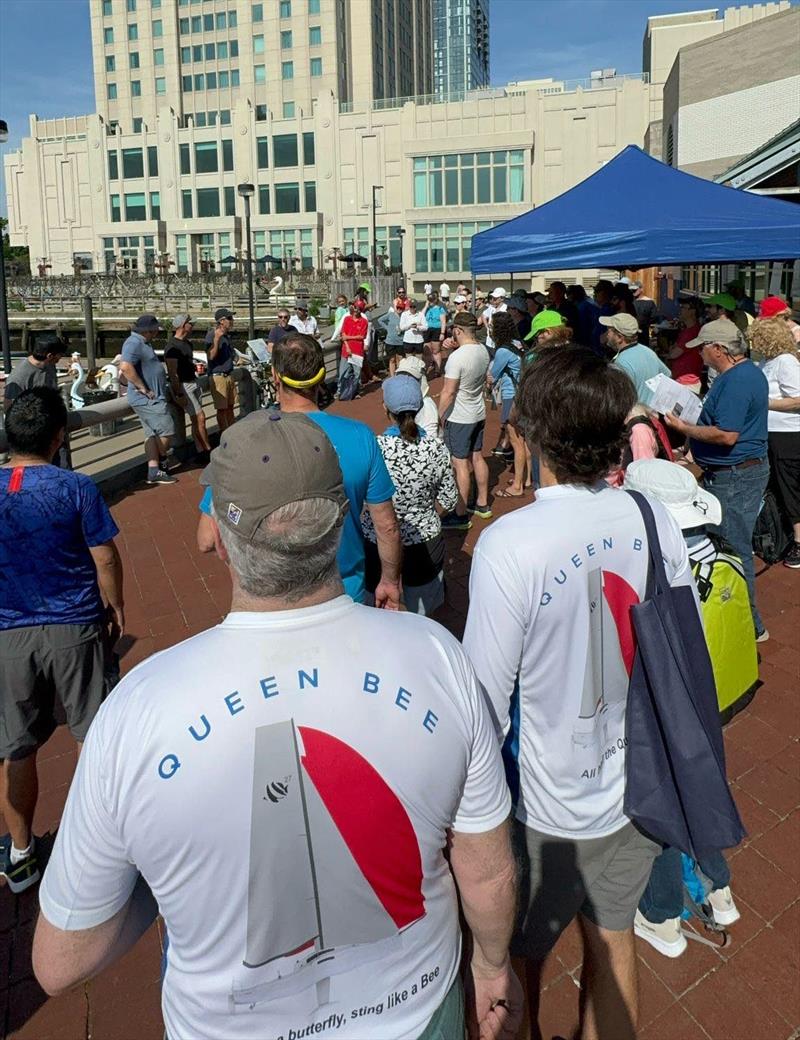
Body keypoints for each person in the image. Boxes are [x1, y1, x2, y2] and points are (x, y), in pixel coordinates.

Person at [34, 410, 522, 1040]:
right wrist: (491, 966)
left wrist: (166, 881)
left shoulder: (139, 708)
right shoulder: (436, 655)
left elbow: (61, 961)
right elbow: (486, 869)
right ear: (341, 520)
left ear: (224, 540)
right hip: (415, 1009)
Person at [463, 347, 695, 1040]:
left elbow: (481, 696)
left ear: (530, 434)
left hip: (541, 801)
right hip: (636, 785)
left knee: (518, 961)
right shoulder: (654, 520)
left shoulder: (512, 544)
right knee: (614, 940)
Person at [0, 388, 123, 894]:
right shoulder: (76, 487)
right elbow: (105, 558)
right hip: (75, 624)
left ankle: (22, 852)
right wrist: (114, 606)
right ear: (59, 437)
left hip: (10, 630)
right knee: (92, 736)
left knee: (16, 748)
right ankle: (98, 848)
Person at [622, 460, 741, 958]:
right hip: (702, 678)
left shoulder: (647, 548)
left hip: (659, 680)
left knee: (661, 790)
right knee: (698, 775)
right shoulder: (711, 549)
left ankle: (661, 914)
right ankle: (718, 887)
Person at [199, 333, 401, 608]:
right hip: (344, 591)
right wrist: (389, 580)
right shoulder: (361, 435)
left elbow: (207, 538)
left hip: (270, 600)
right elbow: (386, 526)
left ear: (275, 376)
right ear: (320, 377)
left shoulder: (244, 440)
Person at [664, 318, 769, 638]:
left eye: (704, 347)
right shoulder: (745, 373)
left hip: (735, 475)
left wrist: (684, 429)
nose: (700, 354)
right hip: (736, 472)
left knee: (734, 547)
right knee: (729, 544)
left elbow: (727, 435)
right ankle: (739, 617)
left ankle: (751, 625)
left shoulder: (737, 381)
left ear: (720, 349)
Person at [362, 376, 457, 615]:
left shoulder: (375, 447)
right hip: (423, 540)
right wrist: (424, 515)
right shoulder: (436, 448)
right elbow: (449, 499)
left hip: (378, 538)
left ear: (386, 408)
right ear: (420, 407)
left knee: (376, 605)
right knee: (424, 610)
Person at [750, 317, 800, 568]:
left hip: (788, 435)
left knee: (790, 486)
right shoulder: (765, 362)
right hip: (771, 432)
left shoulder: (786, 362)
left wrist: (764, 404)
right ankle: (782, 533)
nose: (752, 342)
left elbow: (798, 398)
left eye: (756, 338)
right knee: (776, 487)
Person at [439, 312, 491, 529]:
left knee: (459, 463)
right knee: (477, 457)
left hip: (460, 416)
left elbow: (448, 392)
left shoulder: (457, 358)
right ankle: (482, 503)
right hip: (478, 412)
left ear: (458, 330)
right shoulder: (482, 350)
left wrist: (439, 417)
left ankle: (460, 514)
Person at [120, 314, 177, 485]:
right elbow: (125, 367)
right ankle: (163, 459)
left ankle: (154, 470)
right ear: (148, 330)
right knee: (167, 431)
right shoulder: (134, 342)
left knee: (152, 434)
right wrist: (142, 387)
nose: (157, 333)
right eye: (155, 330)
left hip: (150, 397)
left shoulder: (143, 343)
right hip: (148, 399)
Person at [4, 333, 70, 467]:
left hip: (57, 433)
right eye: (59, 354)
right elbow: (9, 409)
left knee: (64, 471)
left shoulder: (49, 365)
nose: (61, 357)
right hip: (38, 441)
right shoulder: (19, 377)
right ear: (50, 356)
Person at [165, 314, 211, 460]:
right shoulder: (171, 346)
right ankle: (207, 450)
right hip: (184, 386)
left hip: (194, 381)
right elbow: (173, 373)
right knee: (200, 418)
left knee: (196, 420)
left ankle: (199, 450)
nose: (193, 326)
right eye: (190, 323)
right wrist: (178, 394)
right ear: (183, 325)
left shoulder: (188, 344)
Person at [604, 312, 670, 407]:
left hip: (636, 418)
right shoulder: (647, 351)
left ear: (619, 337)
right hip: (652, 415)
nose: (607, 334)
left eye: (609, 330)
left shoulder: (620, 363)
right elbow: (667, 375)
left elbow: (619, 400)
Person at [486, 311, 521, 461]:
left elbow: (493, 376)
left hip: (510, 393)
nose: (489, 328)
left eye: (492, 325)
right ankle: (508, 449)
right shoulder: (517, 343)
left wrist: (487, 378)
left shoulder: (502, 351)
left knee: (514, 434)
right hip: (519, 390)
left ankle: (519, 475)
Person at [204, 307, 236, 433]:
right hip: (218, 376)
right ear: (221, 321)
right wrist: (216, 339)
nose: (232, 320)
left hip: (229, 374)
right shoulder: (212, 335)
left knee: (230, 407)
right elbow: (210, 356)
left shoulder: (227, 336)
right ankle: (224, 434)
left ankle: (232, 432)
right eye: (229, 318)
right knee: (222, 409)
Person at [397, 355, 439, 438]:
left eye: (410, 376)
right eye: (402, 375)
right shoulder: (403, 400)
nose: (406, 380)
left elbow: (431, 439)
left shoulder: (426, 405)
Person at [667, 297, 704, 381]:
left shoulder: (691, 333)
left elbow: (673, 354)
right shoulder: (688, 330)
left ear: (693, 311)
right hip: (683, 378)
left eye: (683, 307)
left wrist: (671, 351)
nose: (680, 310)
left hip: (687, 380)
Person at [338, 299, 369, 396]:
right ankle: (340, 391)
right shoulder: (347, 319)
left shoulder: (364, 321)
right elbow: (343, 333)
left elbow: (362, 336)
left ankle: (356, 390)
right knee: (343, 371)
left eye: (359, 308)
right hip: (346, 350)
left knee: (357, 373)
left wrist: (348, 337)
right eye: (355, 307)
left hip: (357, 351)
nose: (356, 310)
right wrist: (347, 346)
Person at [377, 301, 407, 376]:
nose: (399, 309)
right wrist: (387, 328)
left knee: (400, 359)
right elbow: (380, 320)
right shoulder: (390, 314)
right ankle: (392, 376)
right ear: (396, 308)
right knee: (392, 359)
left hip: (400, 341)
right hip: (390, 341)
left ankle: (400, 375)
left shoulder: (404, 316)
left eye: (401, 308)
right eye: (398, 307)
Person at [422, 293, 447, 375]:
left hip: (436, 329)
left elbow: (443, 322)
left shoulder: (440, 309)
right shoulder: (427, 308)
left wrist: (442, 333)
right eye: (430, 300)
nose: (431, 302)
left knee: (436, 350)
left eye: (432, 300)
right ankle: (426, 367)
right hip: (427, 330)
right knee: (427, 351)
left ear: (436, 300)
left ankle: (437, 370)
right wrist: (426, 306)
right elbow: (421, 316)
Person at [591, 279, 616, 356]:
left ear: (606, 293)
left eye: (597, 291)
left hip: (604, 352)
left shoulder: (609, 310)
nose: (594, 294)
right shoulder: (600, 309)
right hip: (596, 350)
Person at [479, 287, 507, 352]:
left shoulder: (506, 309)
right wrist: (487, 326)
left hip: (499, 343)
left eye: (495, 298)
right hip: (489, 343)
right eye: (492, 297)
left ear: (502, 298)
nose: (493, 299)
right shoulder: (492, 307)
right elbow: (483, 315)